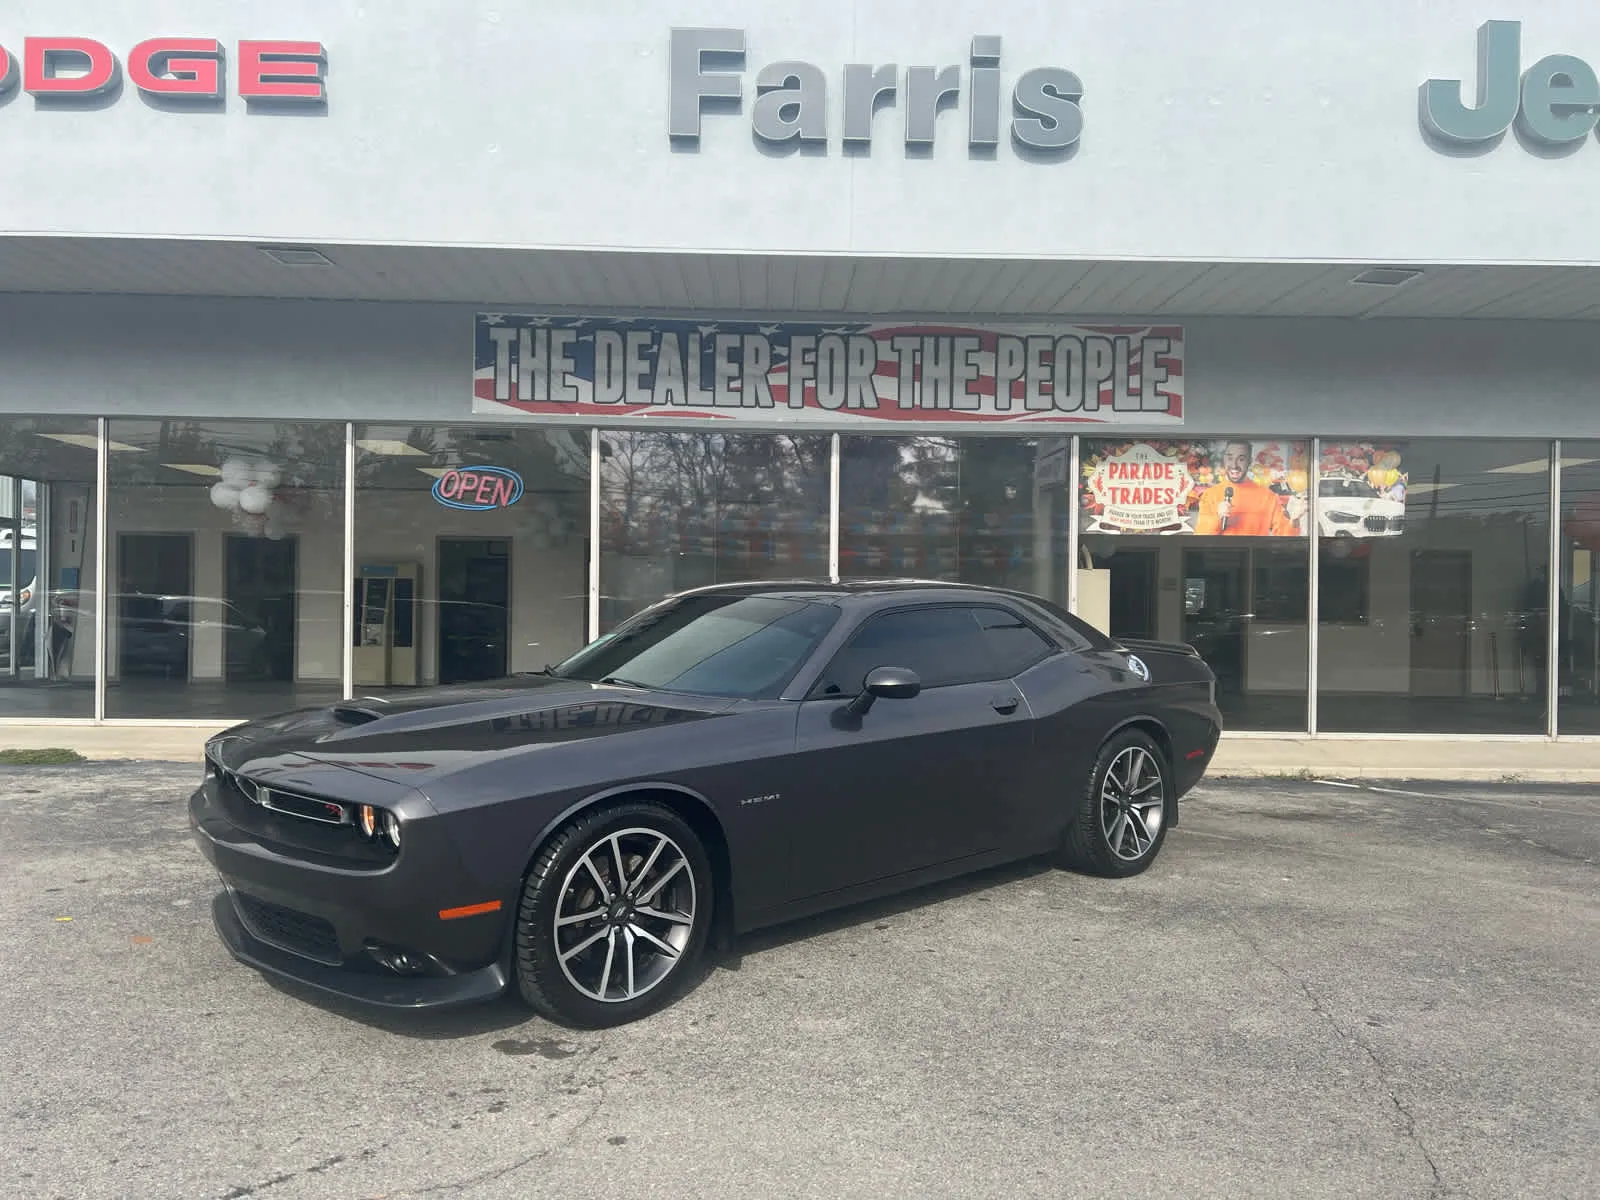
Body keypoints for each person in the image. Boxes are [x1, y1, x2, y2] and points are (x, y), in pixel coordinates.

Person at [1193, 440, 1306, 536]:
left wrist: (1295, 521)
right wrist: (1218, 518)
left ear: (1249, 462)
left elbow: (1285, 537)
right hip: (1220, 560)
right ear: (1224, 460)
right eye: (1230, 458)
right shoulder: (1210, 495)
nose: (1234, 465)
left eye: (1241, 459)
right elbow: (1200, 538)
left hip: (1256, 559)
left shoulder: (1267, 496)